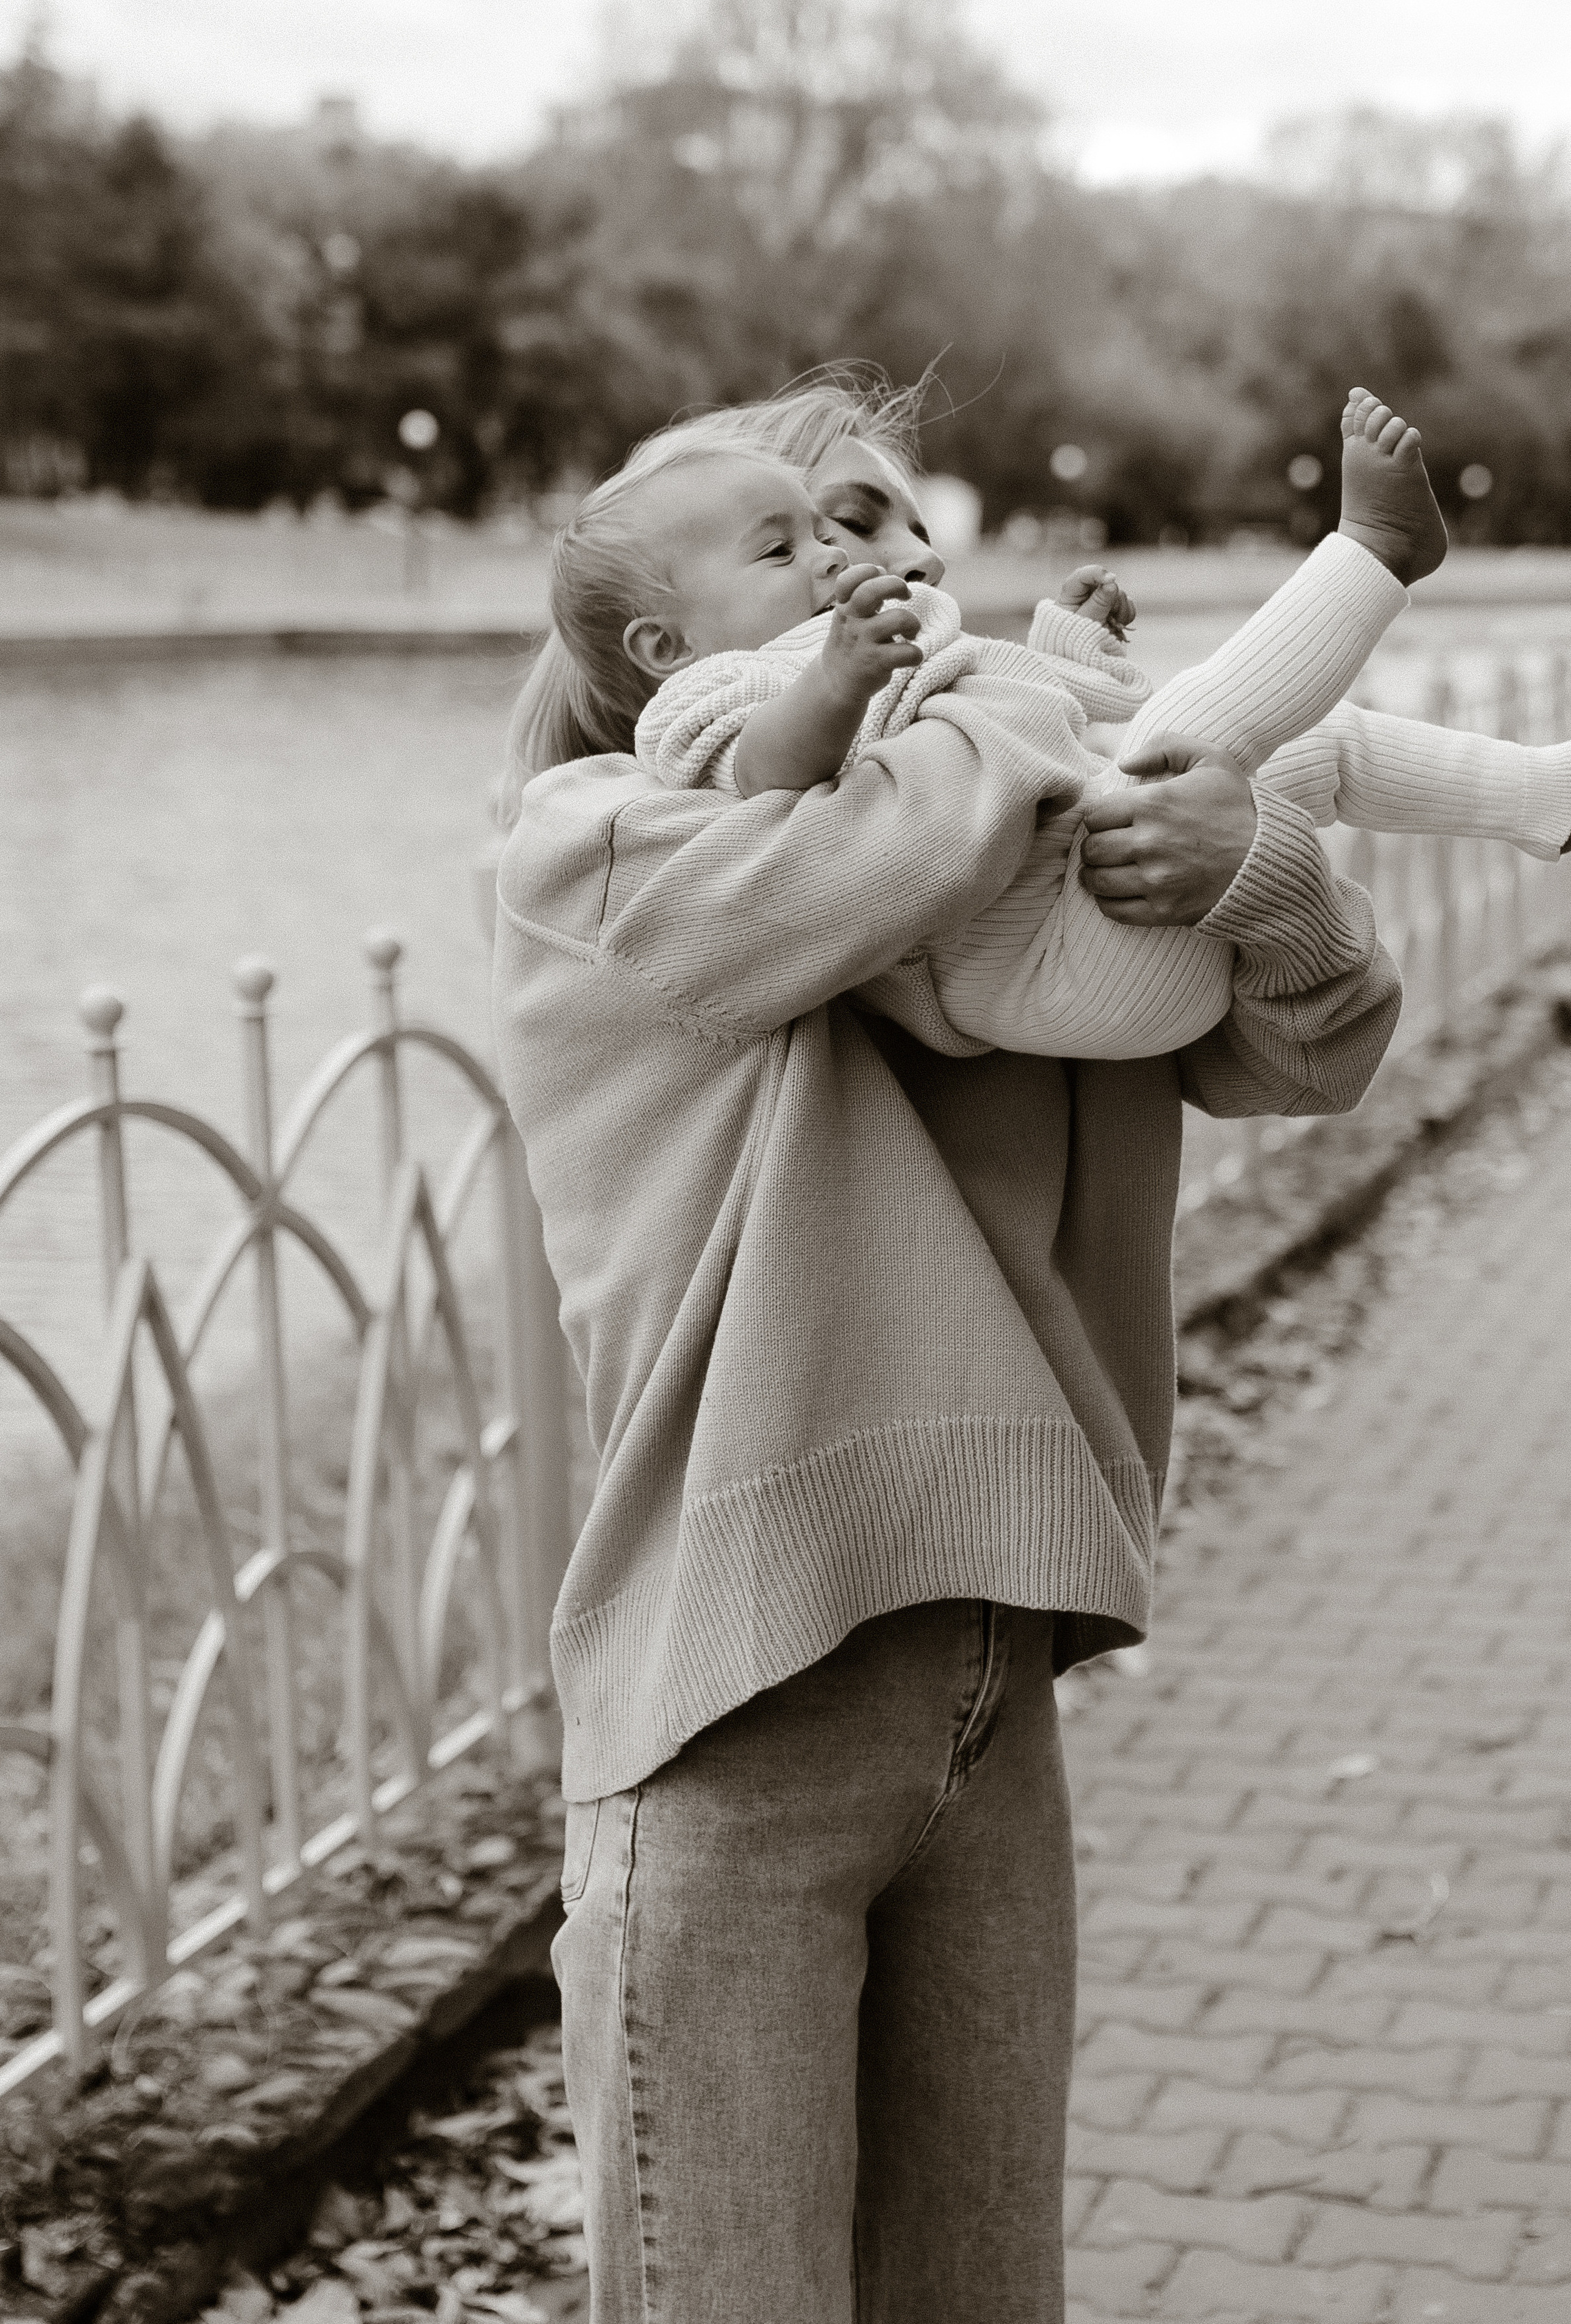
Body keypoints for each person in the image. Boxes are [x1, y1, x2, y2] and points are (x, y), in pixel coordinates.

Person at [492, 386, 1397, 2321]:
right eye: (808, 533)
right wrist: (1042, 702)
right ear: (682, 624)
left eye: (889, 518)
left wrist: (1260, 866)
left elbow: (1309, 1052)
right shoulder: (598, 842)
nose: (877, 558)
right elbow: (840, 889)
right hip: (739, 1697)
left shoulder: (1015, 864)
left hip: (995, 1684)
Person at [607, 388, 1571, 1059]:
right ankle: (1372, 553)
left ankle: (1541, 794)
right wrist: (844, 678)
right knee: (1185, 732)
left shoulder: (891, 656)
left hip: (1108, 937)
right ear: (667, 630)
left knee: (1309, 740)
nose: (918, 559)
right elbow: (796, 785)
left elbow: (1041, 753)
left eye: (921, 529)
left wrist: (1257, 865)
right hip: (1061, 977)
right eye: (829, 529)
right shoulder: (704, 722)